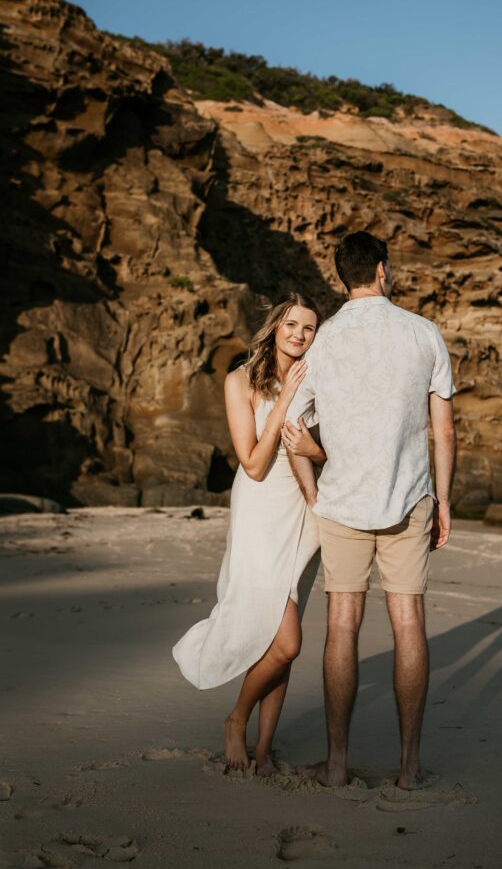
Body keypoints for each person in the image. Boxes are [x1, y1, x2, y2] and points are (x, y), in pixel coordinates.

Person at [284, 231, 457, 790]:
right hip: (410, 500)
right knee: (409, 624)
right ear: (382, 270)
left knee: (342, 625)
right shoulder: (422, 332)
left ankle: (336, 766)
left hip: (342, 500)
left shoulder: (324, 341)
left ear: (343, 276)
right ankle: (409, 770)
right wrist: (445, 500)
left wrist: (317, 479)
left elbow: (294, 427)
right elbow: (443, 428)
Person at [172, 292, 324, 775]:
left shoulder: (317, 381)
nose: (300, 335)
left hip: (304, 514)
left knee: (279, 638)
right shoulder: (239, 381)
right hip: (261, 510)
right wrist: (283, 402)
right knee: (289, 641)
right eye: (293, 324)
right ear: (275, 326)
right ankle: (236, 719)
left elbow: (327, 452)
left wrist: (316, 454)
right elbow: (254, 464)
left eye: (309, 328)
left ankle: (263, 751)